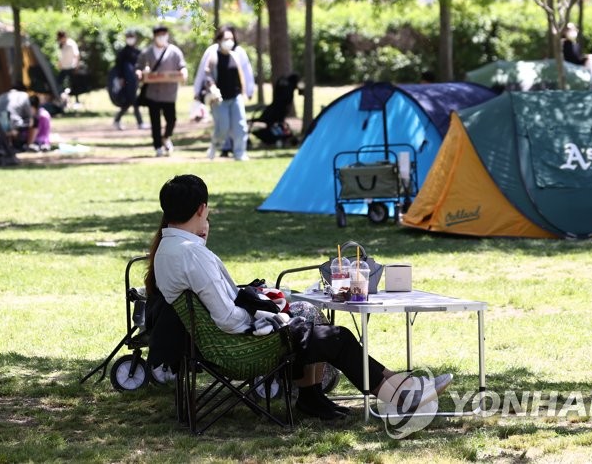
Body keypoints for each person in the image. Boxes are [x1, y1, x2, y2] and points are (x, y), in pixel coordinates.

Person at [147, 174, 453, 420]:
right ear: (202, 208)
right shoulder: (191, 256)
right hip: (237, 348)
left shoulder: (167, 250)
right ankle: (400, 396)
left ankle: (399, 388)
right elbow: (227, 318)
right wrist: (271, 318)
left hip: (216, 343)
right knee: (337, 337)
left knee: (315, 323)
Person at [192, 26, 255, 161]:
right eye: (226, 38)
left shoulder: (236, 55)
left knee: (240, 126)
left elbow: (243, 74)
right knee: (223, 128)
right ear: (219, 40)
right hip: (219, 99)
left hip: (235, 96)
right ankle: (215, 145)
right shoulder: (213, 55)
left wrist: (246, 91)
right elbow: (207, 75)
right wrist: (212, 88)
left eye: (231, 38)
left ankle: (239, 153)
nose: (229, 41)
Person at [136, 25, 187, 157]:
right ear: (155, 36)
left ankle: (166, 137)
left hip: (169, 93)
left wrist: (183, 73)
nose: (162, 37)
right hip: (152, 93)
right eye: (159, 34)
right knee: (155, 121)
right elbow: (138, 67)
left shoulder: (175, 51)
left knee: (171, 120)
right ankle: (158, 146)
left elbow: (182, 66)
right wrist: (140, 73)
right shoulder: (147, 52)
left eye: (164, 34)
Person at [112, 30, 145, 130]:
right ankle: (140, 123)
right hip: (126, 82)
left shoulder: (138, 52)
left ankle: (117, 120)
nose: (130, 39)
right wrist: (121, 78)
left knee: (129, 102)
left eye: (132, 37)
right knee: (133, 101)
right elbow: (119, 67)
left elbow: (141, 65)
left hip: (135, 81)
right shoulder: (123, 52)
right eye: (128, 37)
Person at [0, 82, 33, 151]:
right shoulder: (23, 95)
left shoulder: (2, 95)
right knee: (33, 121)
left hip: (0, 124)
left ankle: (10, 142)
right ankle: (29, 144)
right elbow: (29, 114)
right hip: (15, 124)